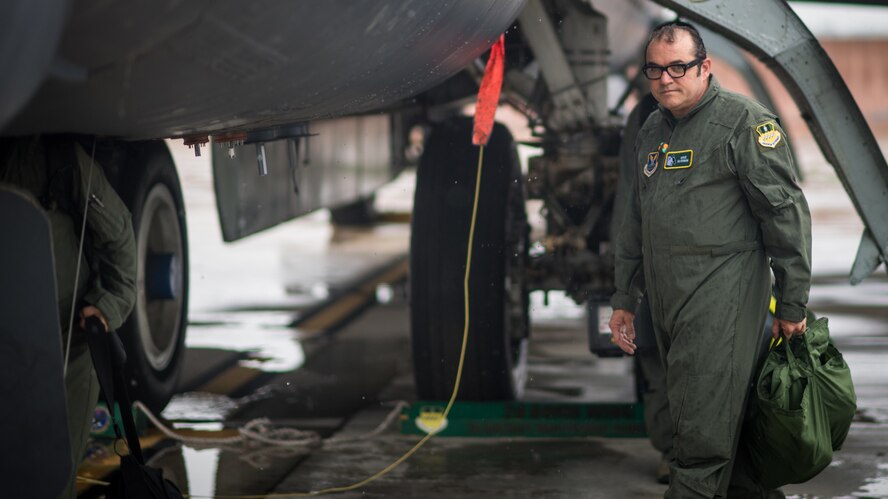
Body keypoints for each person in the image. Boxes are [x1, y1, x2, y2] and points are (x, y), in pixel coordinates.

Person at [608, 21, 812, 498]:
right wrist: (624, 296)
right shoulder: (653, 128)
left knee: (697, 441)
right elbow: (635, 221)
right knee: (733, 442)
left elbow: (784, 215)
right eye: (655, 69)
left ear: (705, 67)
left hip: (721, 299)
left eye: (678, 67)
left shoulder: (743, 124)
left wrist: (792, 304)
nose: (666, 79)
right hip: (667, 303)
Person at [0, 136, 137, 498]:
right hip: (9, 337)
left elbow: (119, 235)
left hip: (64, 342)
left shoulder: (57, 157)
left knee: (49, 476)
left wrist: (108, 305)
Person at [614, 90, 673, 485]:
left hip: (690, 276)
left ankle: (683, 454)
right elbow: (630, 207)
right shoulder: (648, 121)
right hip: (654, 272)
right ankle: (674, 452)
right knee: (661, 368)